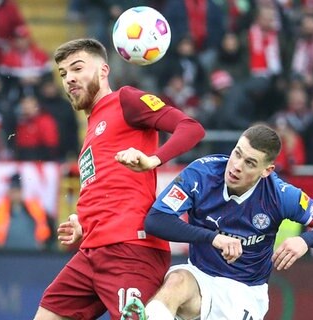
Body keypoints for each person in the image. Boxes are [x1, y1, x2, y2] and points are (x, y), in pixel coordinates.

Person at [33, 38, 205, 320]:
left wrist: (153, 159)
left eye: (77, 68)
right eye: (63, 74)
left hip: (131, 250)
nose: (69, 79)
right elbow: (108, 187)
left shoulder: (126, 100)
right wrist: (83, 224)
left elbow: (191, 128)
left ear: (103, 70)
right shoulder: (91, 129)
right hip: (91, 250)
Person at [122, 124, 313, 320]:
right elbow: (156, 220)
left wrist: (305, 241)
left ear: (267, 170)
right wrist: (213, 238)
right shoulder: (201, 174)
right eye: (237, 153)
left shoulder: (281, 195)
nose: (236, 166)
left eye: (250, 163)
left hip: (245, 292)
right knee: (176, 283)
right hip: (200, 275)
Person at [0, 173, 51, 251]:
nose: (15, 195)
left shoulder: (33, 208)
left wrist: (41, 243)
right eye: (13, 191)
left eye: (17, 191)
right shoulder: (1, 209)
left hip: (32, 253)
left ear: (21, 192)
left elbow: (42, 227)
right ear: (9, 192)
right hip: (8, 254)